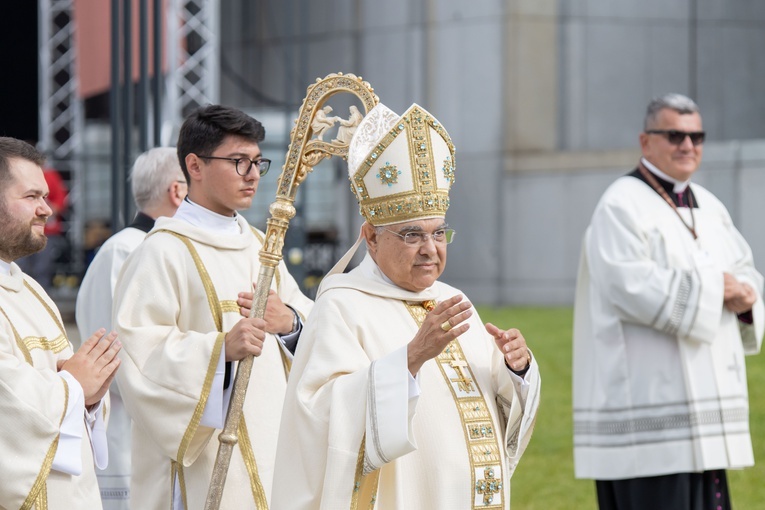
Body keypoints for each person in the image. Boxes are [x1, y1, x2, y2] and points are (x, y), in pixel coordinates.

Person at [270, 103, 541, 509]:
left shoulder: (454, 299)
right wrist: (411, 359)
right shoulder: (341, 306)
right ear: (371, 238)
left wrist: (515, 369)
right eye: (413, 235)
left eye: (438, 233)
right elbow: (320, 417)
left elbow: (491, 400)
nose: (430, 249)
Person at [112, 105, 313, 510]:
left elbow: (306, 319)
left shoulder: (260, 245)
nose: (253, 174)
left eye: (258, 162)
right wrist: (220, 351)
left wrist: (289, 322)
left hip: (275, 447)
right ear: (195, 166)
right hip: (201, 467)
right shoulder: (162, 252)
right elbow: (138, 357)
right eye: (238, 161)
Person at [572, 93, 764, 510]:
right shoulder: (620, 204)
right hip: (647, 415)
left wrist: (747, 295)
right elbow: (629, 285)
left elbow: (745, 269)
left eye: (697, 137)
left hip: (705, 412)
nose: (688, 146)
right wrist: (719, 290)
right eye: (675, 135)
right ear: (646, 141)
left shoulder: (710, 206)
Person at [0, 137, 121, 509]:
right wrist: (74, 386)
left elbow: (71, 385)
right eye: (32, 196)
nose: (47, 210)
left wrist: (91, 397)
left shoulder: (30, 289)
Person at [75, 147, 186, 509]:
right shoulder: (125, 250)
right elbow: (118, 352)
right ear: (177, 191)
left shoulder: (160, 247)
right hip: (132, 426)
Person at [16, 160, 69, 292]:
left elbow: (60, 199)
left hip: (47, 231)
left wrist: (48, 211)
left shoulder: (50, 175)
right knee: (20, 265)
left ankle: (40, 296)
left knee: (42, 267)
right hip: (24, 228)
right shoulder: (18, 175)